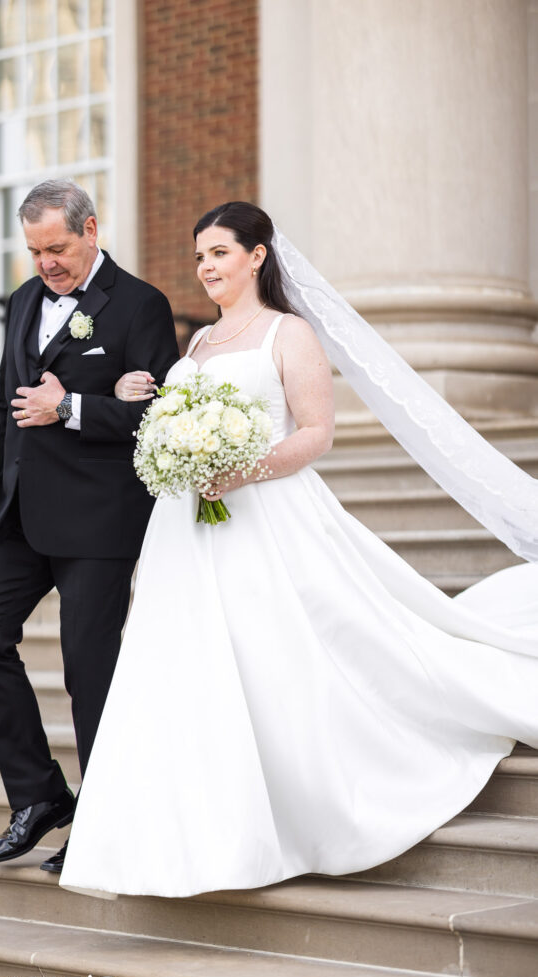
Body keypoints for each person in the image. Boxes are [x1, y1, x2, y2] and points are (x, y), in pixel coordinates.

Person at [58, 201, 538, 899]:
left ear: (256, 256)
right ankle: (193, 835)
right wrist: (154, 416)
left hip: (267, 516)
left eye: (218, 253)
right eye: (198, 258)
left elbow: (315, 433)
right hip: (186, 532)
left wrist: (240, 469)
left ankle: (299, 811)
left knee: (276, 660)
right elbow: (169, 416)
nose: (205, 268)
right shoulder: (196, 346)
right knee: (186, 667)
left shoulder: (289, 335)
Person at [0, 180, 178, 870]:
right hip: (19, 511)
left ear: (89, 229)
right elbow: (3, 407)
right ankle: (40, 795)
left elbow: (163, 417)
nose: (45, 262)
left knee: (90, 670)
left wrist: (73, 406)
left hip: (100, 518)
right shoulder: (24, 299)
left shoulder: (141, 304)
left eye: (56, 247)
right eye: (34, 250)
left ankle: (105, 817)